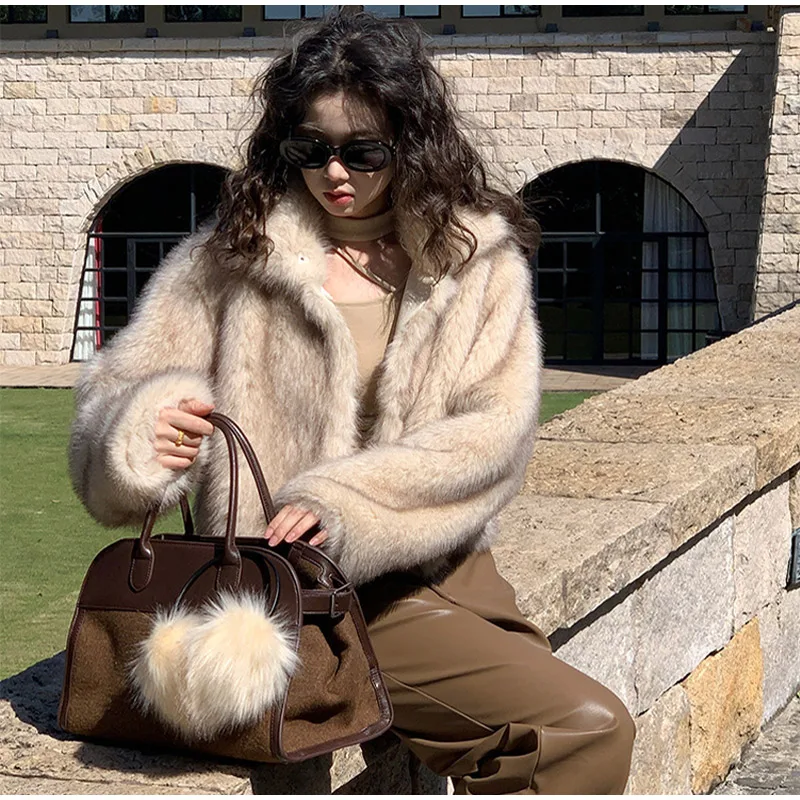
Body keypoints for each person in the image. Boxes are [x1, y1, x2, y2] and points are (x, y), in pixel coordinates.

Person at [68, 9, 635, 794]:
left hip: (448, 565)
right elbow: (112, 394)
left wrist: (346, 503)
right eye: (311, 150)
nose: (334, 173)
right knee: (585, 730)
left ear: (411, 142)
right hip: (297, 590)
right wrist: (142, 431)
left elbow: (496, 432)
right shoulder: (234, 257)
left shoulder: (475, 260)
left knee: (547, 738)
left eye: (363, 150)